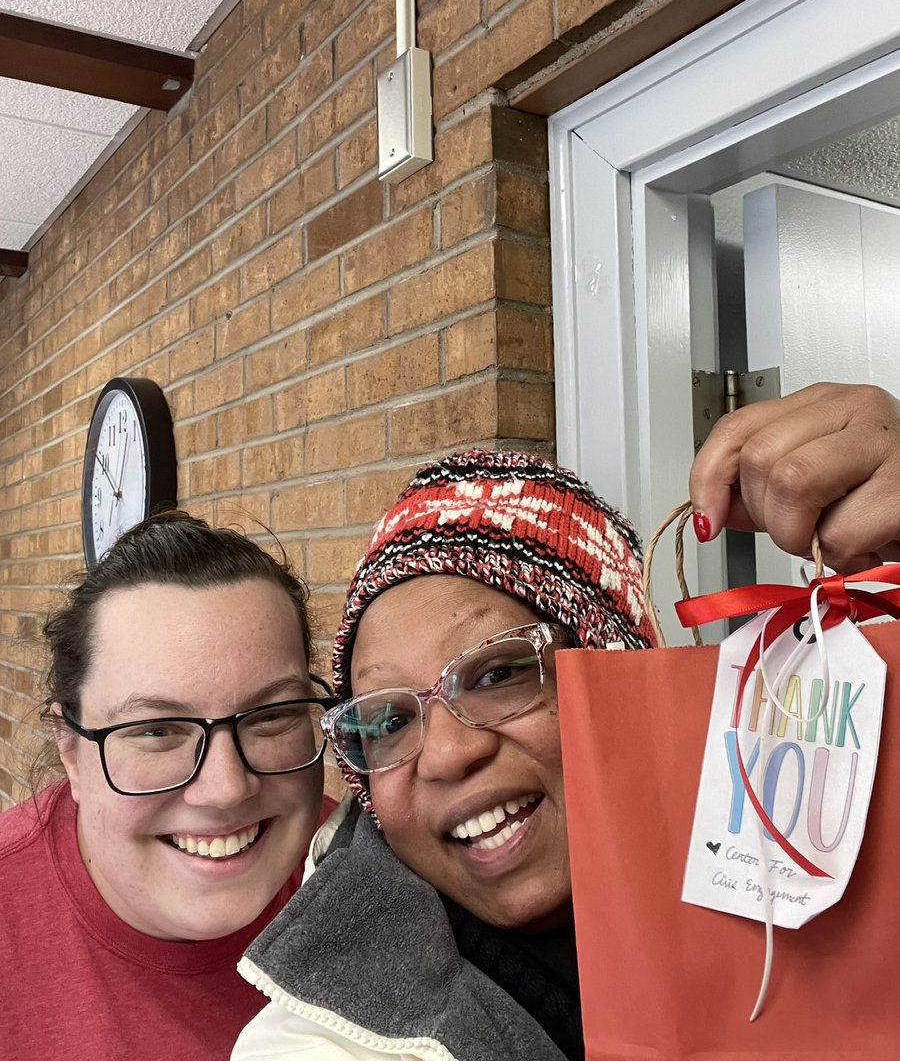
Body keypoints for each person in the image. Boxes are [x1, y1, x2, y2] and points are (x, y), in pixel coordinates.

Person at [232, 381, 900, 1061]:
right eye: (387, 722)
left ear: (619, 671)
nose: (446, 755)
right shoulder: (315, 1043)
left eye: (497, 675)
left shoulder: (819, 835)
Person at [0, 511, 337, 1060]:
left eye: (271, 716)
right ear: (71, 751)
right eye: (155, 730)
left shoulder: (373, 883)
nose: (227, 788)